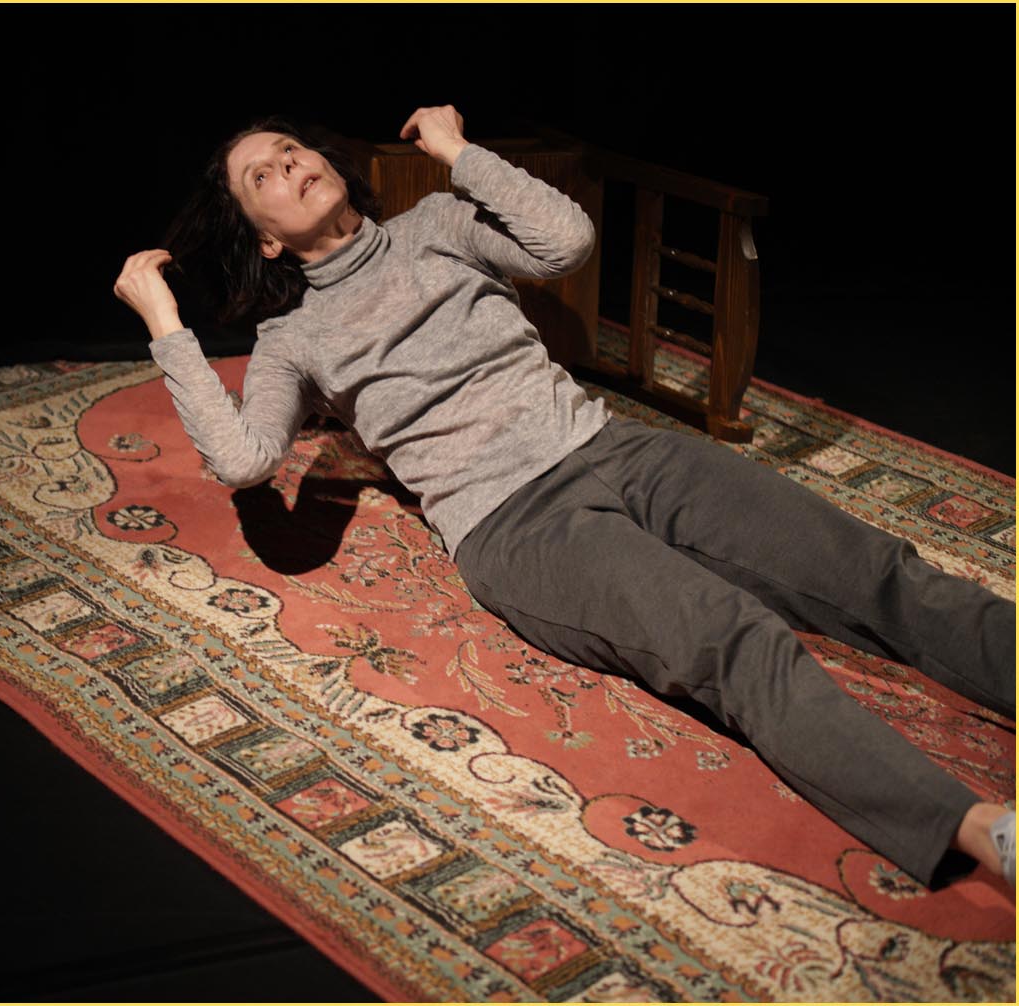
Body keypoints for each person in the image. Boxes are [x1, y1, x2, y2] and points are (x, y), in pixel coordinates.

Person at [114, 105, 1016, 890]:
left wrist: (458, 153)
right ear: (265, 238)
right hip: (515, 524)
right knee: (728, 636)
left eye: (293, 150)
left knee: (870, 568)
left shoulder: (438, 222)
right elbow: (242, 460)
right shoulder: (293, 337)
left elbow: (566, 243)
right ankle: (978, 830)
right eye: (262, 175)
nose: (290, 166)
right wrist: (164, 322)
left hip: (615, 447)